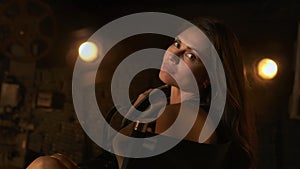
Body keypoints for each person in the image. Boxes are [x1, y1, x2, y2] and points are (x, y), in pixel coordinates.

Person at [26, 16, 256, 169]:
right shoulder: (159, 104)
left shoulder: (184, 115)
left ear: (208, 77)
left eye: (191, 56)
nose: (173, 55)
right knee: (50, 162)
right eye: (177, 44)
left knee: (45, 165)